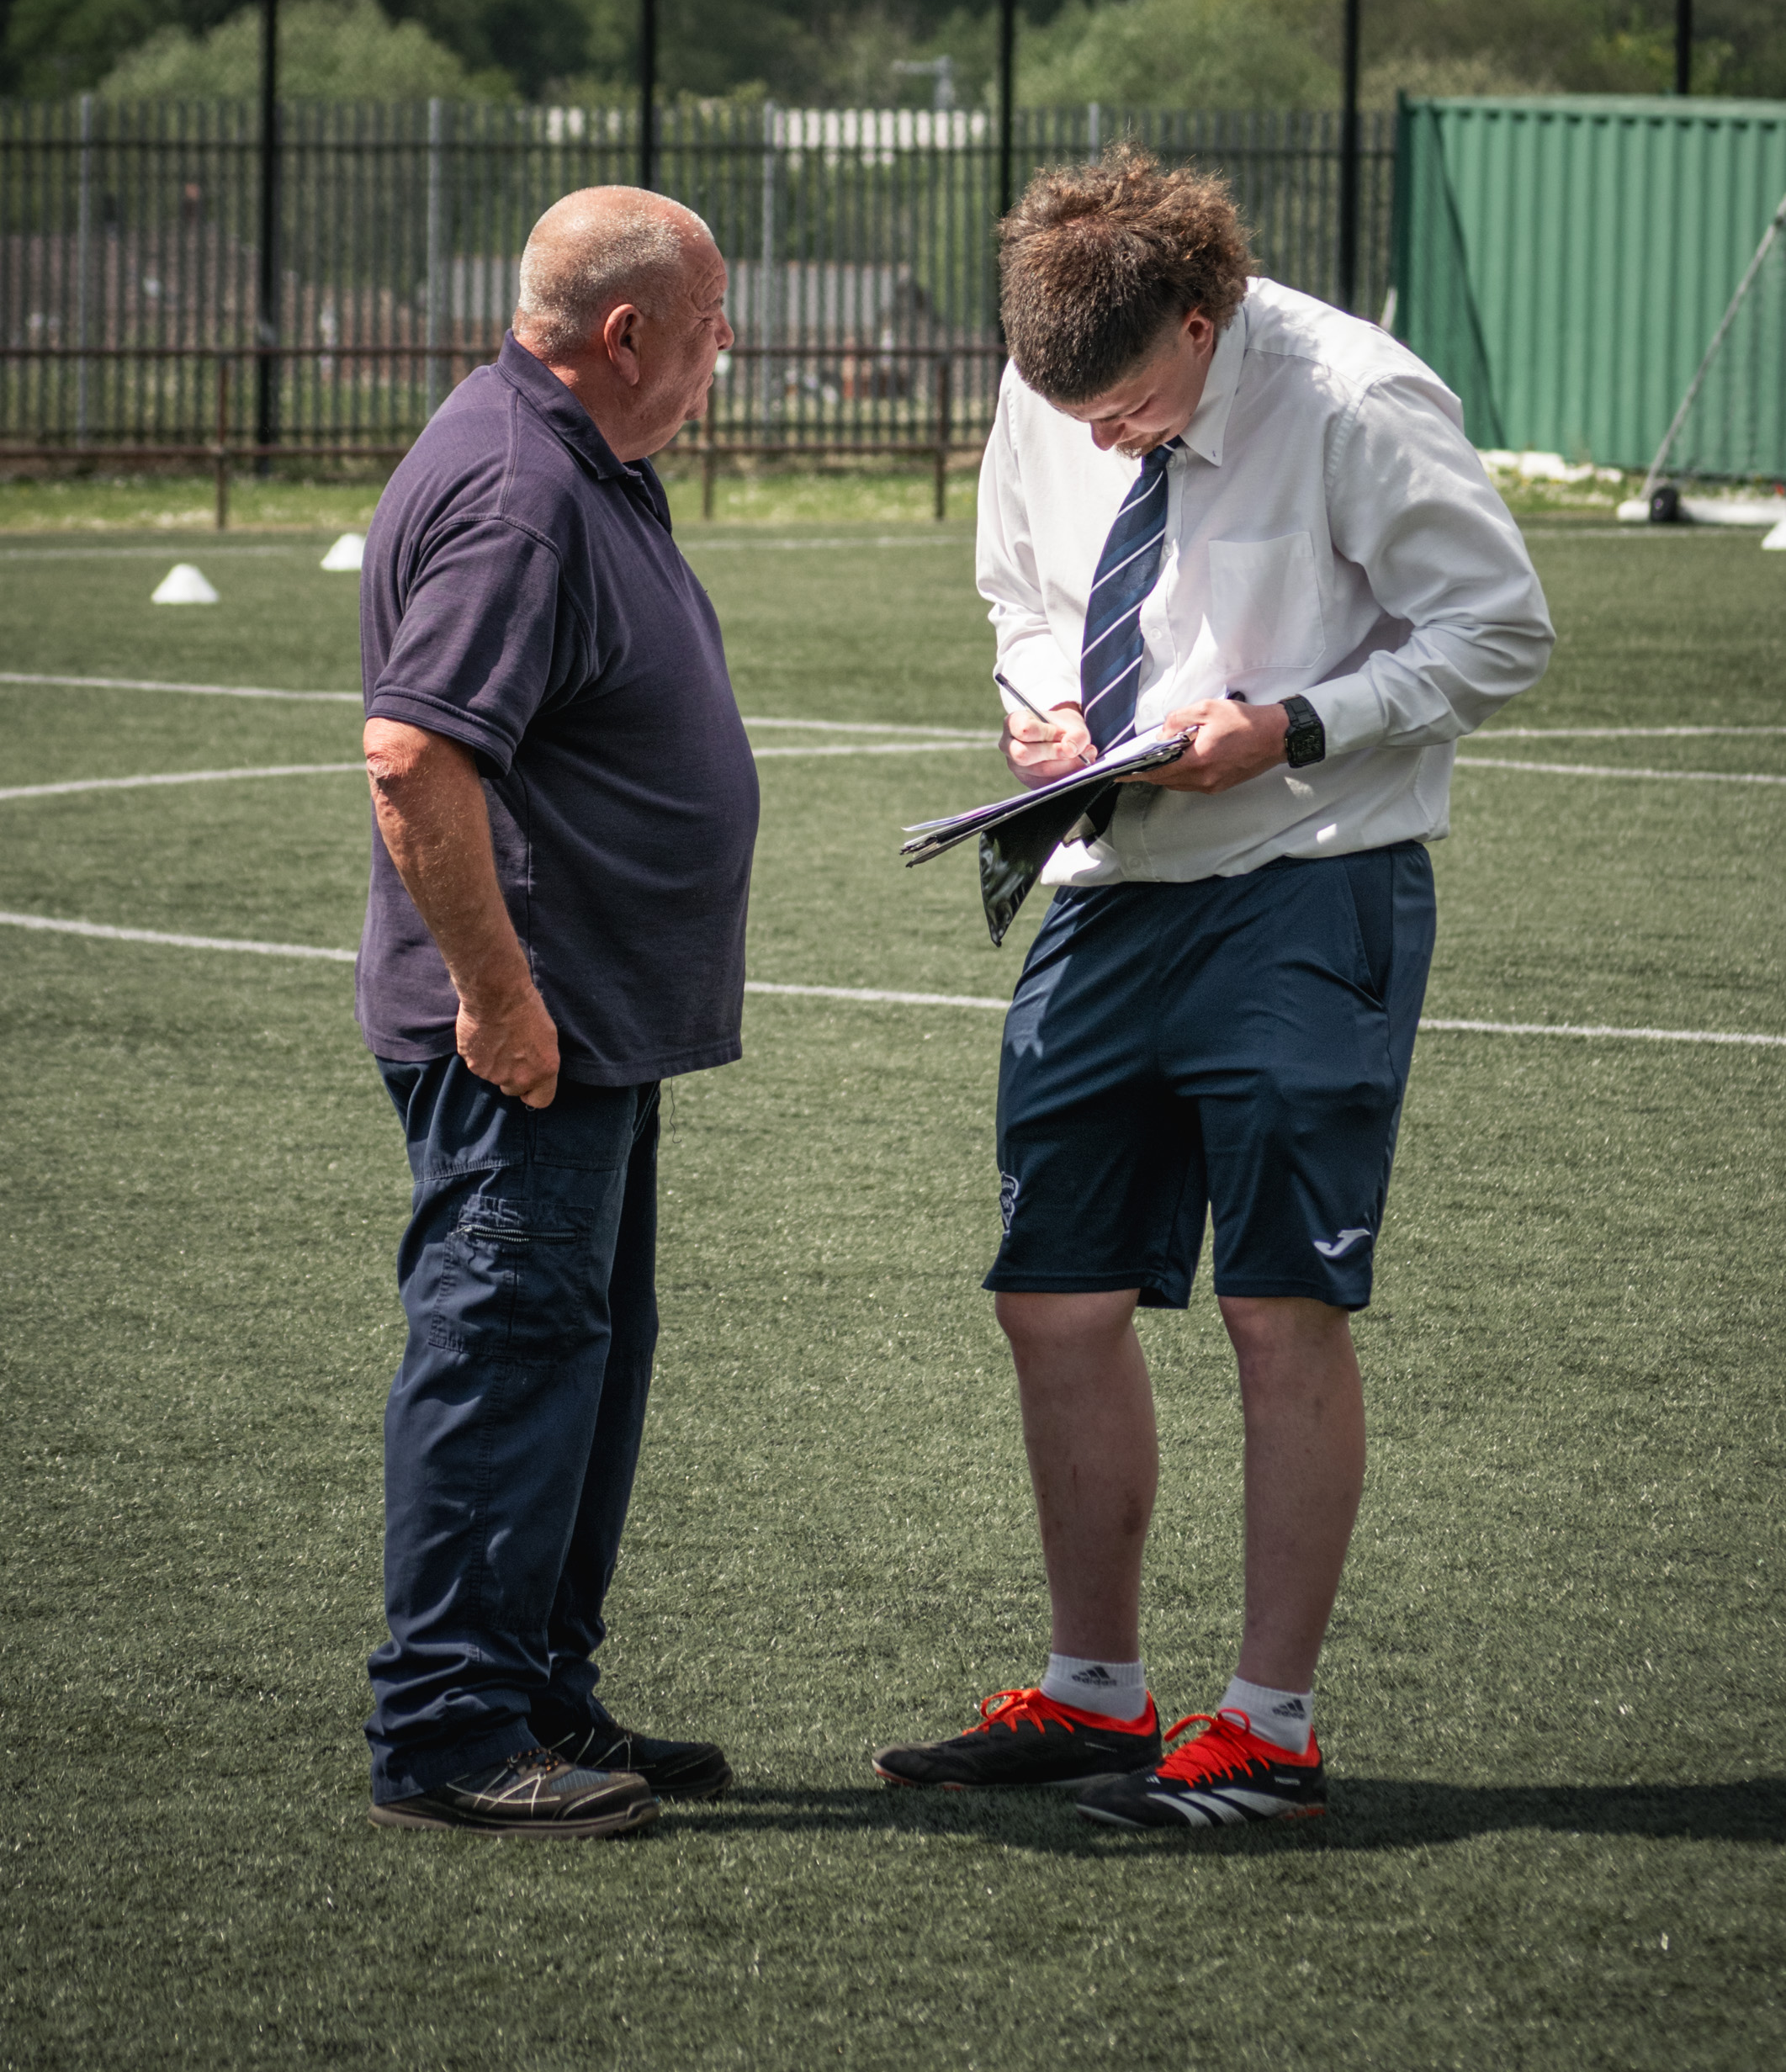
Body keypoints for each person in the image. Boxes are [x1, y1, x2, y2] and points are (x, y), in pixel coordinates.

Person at [872, 147, 1553, 1831]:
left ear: (1205, 312)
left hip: (1309, 887)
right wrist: (1044, 710)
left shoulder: (1354, 391)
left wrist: (1291, 728)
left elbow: (1499, 628)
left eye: (1130, 410)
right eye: (1073, 414)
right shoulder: (1058, 374)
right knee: (1055, 1296)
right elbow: (1025, 590)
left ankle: (1269, 1728)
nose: (1099, 437)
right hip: (1106, 878)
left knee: (1276, 1306)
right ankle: (1097, 1696)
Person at [355, 186, 758, 1838]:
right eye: (715, 328)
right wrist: (501, 1000)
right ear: (627, 334)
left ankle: (532, 1690)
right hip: (526, 1031)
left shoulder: (580, 456)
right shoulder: (524, 484)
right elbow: (414, 756)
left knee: (577, 1360)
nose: (722, 360)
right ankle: (452, 1726)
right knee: (507, 1348)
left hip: (591, 1018)